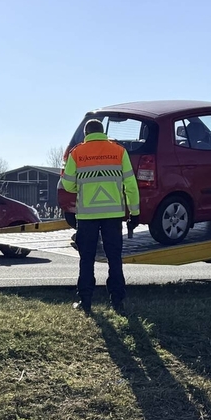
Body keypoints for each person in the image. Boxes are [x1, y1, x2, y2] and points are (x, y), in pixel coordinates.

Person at [60, 118, 141, 315]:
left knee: (86, 258)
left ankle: (86, 301)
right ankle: (117, 300)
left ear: (86, 134)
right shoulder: (119, 151)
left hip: (87, 215)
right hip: (114, 215)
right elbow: (130, 185)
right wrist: (135, 212)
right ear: (102, 132)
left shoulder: (77, 153)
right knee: (114, 257)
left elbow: (68, 185)